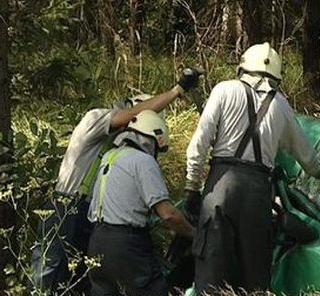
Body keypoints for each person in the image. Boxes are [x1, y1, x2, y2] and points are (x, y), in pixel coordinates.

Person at [184, 42, 320, 294]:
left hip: (220, 187)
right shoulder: (282, 106)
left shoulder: (224, 90)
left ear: (243, 67)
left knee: (211, 268)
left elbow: (199, 143)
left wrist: (191, 187)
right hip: (257, 195)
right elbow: (307, 158)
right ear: (276, 75)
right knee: (255, 275)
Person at [31, 68, 202, 294]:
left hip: (92, 220)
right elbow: (133, 114)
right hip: (68, 208)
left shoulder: (120, 151)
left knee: (79, 283)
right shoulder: (94, 120)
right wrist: (177, 90)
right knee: (50, 277)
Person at [87, 109, 195, 296]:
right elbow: (168, 214)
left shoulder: (110, 156)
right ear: (152, 139)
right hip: (126, 246)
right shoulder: (143, 161)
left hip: (97, 242)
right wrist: (193, 233)